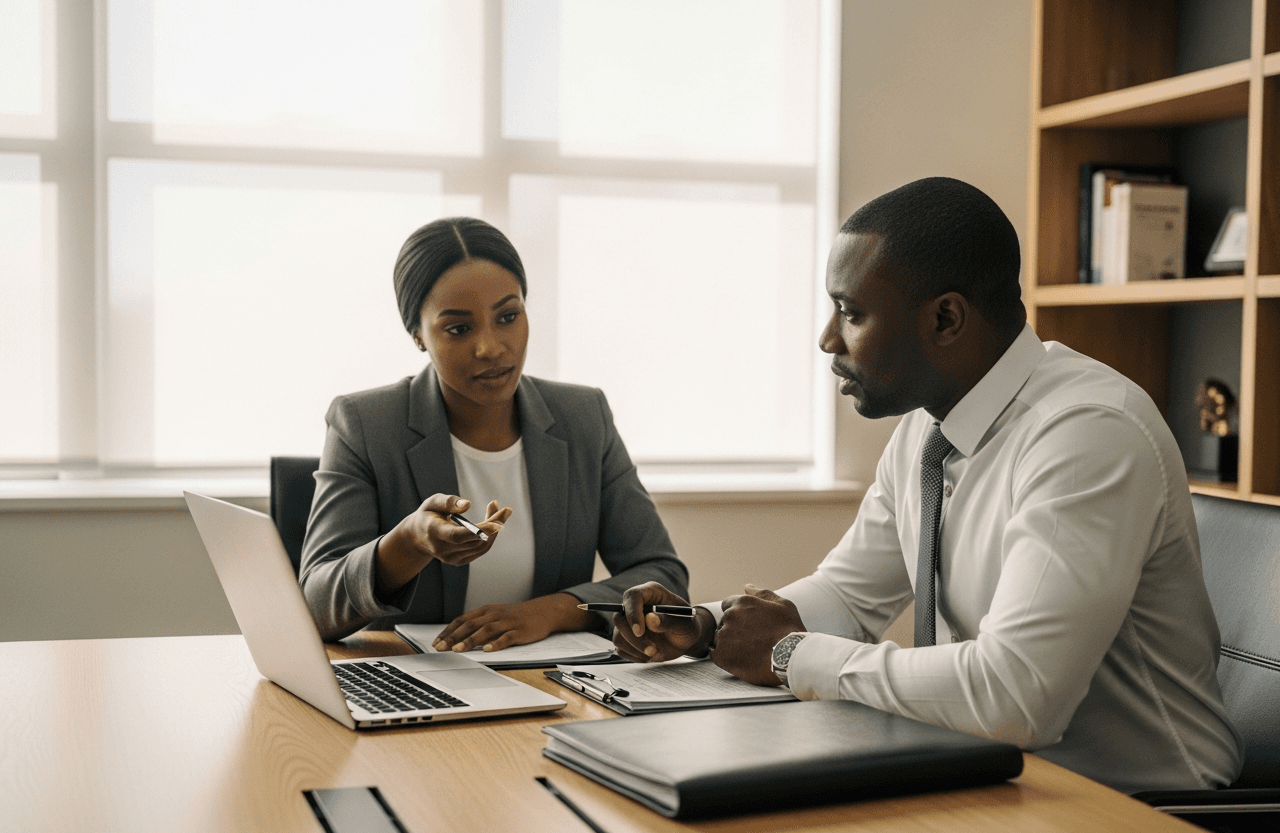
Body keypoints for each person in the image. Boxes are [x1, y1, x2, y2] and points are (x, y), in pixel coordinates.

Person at [612, 177, 1243, 794]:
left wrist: (789, 655)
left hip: (1147, 813)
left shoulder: (1086, 435)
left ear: (945, 319)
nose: (829, 340)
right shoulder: (929, 427)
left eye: (851, 312)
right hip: (1003, 782)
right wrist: (706, 624)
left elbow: (1016, 695)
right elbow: (851, 596)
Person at [300, 217, 688, 646]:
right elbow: (315, 606)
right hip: (415, 684)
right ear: (417, 335)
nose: (491, 347)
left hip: (554, 685)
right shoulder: (365, 424)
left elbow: (663, 576)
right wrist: (409, 542)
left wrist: (553, 611)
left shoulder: (583, 417)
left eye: (507, 316)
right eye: (459, 328)